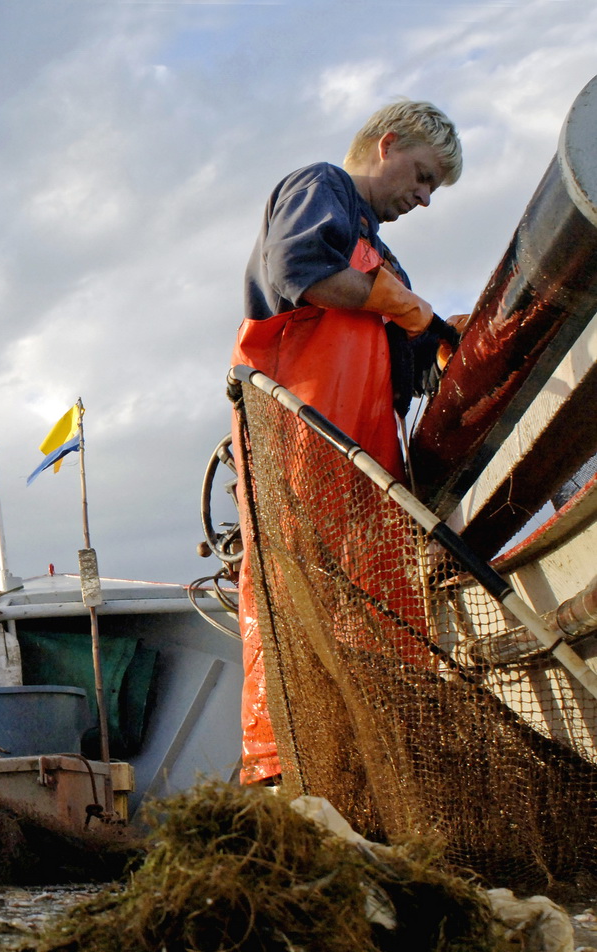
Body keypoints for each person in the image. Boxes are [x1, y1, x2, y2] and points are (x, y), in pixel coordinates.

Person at [230, 101, 465, 785]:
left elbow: (409, 358)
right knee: (291, 597)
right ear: (387, 145)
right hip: (298, 442)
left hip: (363, 465)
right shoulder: (321, 186)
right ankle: (285, 772)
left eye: (432, 190)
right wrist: (394, 303)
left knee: (368, 613)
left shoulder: (384, 256)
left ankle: (364, 771)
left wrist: (444, 339)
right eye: (421, 177)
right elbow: (295, 270)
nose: (422, 199)